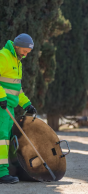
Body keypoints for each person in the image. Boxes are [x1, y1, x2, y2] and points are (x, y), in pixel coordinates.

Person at [0, 33, 37, 183]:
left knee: (8, 139)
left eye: (28, 52)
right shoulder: (4, 56)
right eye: (25, 50)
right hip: (2, 106)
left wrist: (26, 104)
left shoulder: (17, 61)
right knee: (2, 138)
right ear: (17, 45)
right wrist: (1, 97)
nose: (26, 54)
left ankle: (11, 169)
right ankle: (2, 174)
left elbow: (16, 90)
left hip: (9, 107)